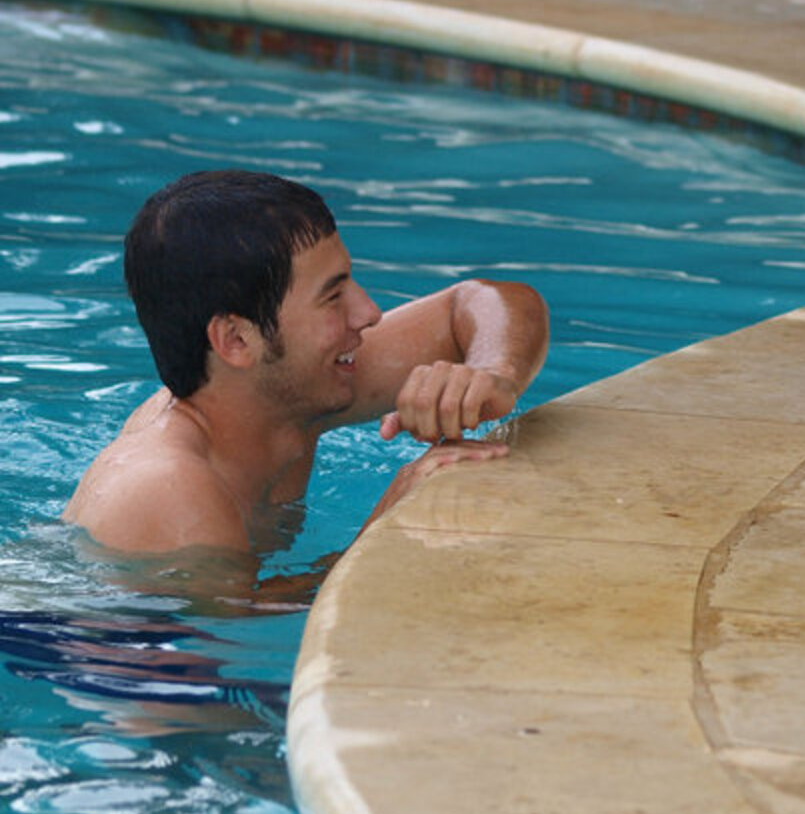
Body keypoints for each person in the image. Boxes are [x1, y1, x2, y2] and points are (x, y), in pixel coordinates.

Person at [64, 170, 549, 561]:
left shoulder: (290, 389)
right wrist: (388, 524)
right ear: (236, 339)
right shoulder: (170, 490)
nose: (368, 313)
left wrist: (492, 373)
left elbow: (484, 301)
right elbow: (235, 636)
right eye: (332, 296)